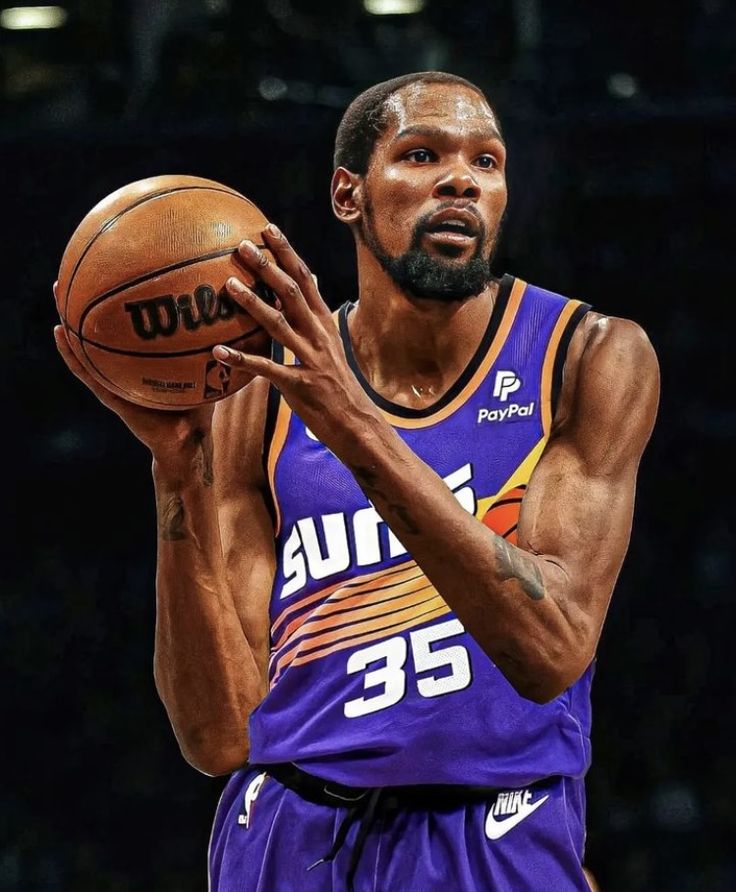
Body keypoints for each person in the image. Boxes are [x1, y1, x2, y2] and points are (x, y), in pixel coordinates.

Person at [55, 71, 658, 891]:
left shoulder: (584, 358)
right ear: (348, 194)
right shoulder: (256, 396)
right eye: (421, 154)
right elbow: (221, 735)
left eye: (487, 161)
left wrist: (352, 424)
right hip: (288, 834)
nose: (460, 179)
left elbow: (550, 651)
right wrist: (176, 481)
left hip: (492, 829)